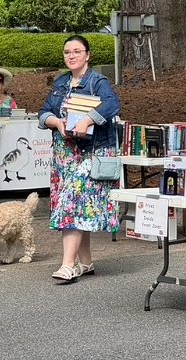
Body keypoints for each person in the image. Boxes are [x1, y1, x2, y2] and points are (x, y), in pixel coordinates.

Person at [38, 35, 121, 282]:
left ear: (87, 55)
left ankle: (67, 265)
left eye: (76, 51)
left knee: (71, 204)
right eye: (67, 52)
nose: (71, 56)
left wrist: (87, 119)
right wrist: (55, 122)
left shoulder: (98, 81)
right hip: (64, 155)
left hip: (89, 153)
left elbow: (113, 104)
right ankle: (85, 262)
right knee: (78, 206)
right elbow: (43, 113)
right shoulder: (61, 83)